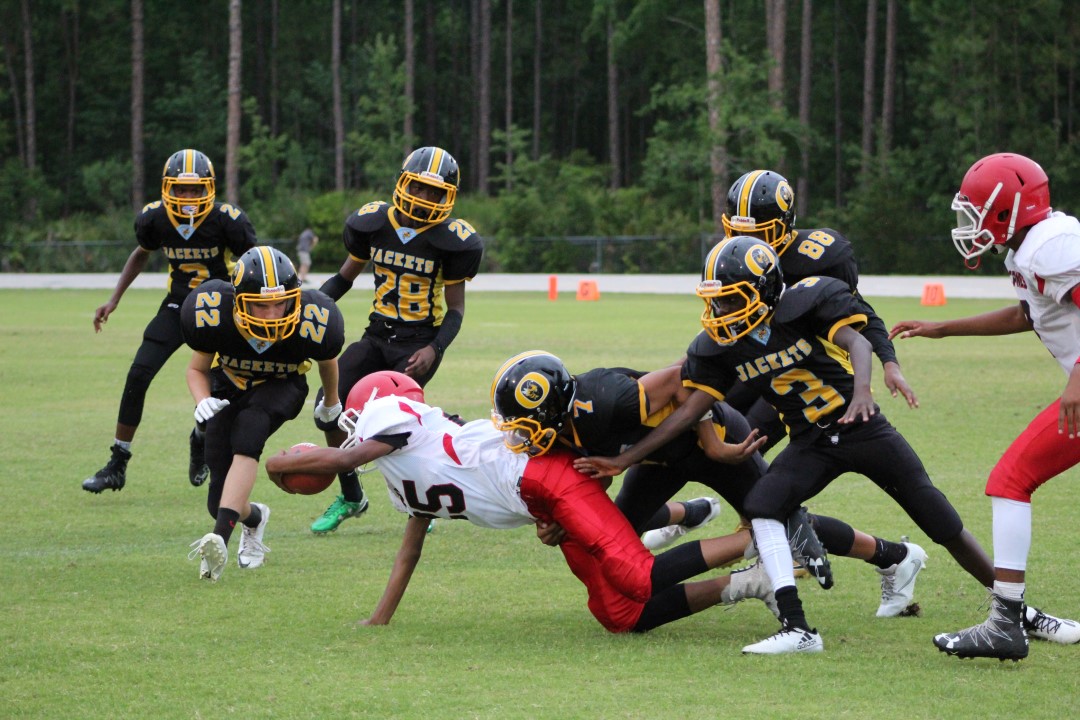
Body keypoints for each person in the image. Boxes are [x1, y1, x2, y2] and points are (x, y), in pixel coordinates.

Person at [574, 237, 1005, 655]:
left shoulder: (802, 304)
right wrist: (623, 460)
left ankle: (1006, 603)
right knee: (761, 506)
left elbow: (857, 341)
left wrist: (864, 389)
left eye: (729, 299)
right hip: (806, 441)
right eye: (715, 301)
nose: (719, 311)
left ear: (762, 292)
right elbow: (690, 408)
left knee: (935, 518)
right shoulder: (718, 346)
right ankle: (797, 625)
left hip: (850, 428)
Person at [265, 370, 779, 632]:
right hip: (542, 500)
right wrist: (380, 617)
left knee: (635, 575)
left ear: (373, 406)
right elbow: (409, 552)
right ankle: (746, 583)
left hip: (543, 476)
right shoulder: (402, 477)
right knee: (621, 615)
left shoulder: (392, 419)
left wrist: (276, 463)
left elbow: (345, 459)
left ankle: (760, 537)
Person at [491, 351, 932, 618]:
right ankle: (693, 516)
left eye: (524, 421)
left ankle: (895, 557)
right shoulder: (560, 432)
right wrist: (562, 524)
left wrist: (713, 444)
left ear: (552, 409)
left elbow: (685, 379)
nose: (519, 434)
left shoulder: (605, 399)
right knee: (617, 531)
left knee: (777, 523)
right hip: (658, 456)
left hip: (713, 439)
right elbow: (594, 479)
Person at [890, 152, 1080, 659]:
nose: (968, 224)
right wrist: (943, 328)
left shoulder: (1051, 247)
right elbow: (1028, 315)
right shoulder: (1029, 250)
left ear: (1007, 210)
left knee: (1010, 480)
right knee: (1011, 480)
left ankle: (1004, 623)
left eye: (975, 212)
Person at [310, 146, 483, 534]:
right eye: (419, 187)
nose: (424, 197)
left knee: (395, 427)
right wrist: (310, 308)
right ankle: (352, 496)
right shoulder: (374, 223)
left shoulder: (453, 240)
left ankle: (421, 504)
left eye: (435, 192)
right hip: (376, 336)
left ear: (448, 197)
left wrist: (434, 348)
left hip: (419, 344)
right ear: (404, 183)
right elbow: (343, 278)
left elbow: (455, 310)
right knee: (327, 408)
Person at [82, 148, 257, 494]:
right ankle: (118, 462)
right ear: (168, 188)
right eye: (181, 189)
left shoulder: (227, 219)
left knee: (222, 390)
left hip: (223, 310)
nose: (188, 197)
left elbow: (255, 262)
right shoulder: (155, 219)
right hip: (178, 305)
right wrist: (114, 299)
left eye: (195, 189)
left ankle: (200, 437)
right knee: (138, 373)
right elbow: (141, 253)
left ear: (209, 188)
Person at [718, 169, 918, 455]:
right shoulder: (734, 262)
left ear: (784, 224)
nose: (746, 241)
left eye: (757, 233)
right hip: (758, 357)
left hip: (807, 367)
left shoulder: (818, 257)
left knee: (747, 442)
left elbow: (860, 313)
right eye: (738, 231)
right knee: (717, 417)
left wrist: (889, 362)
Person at [183, 246, 344, 582]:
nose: (272, 315)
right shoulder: (216, 313)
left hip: (282, 385)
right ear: (239, 301)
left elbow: (327, 361)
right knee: (220, 502)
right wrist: (202, 400)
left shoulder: (313, 319)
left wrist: (331, 402)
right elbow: (196, 369)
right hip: (228, 386)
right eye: (260, 305)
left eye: (280, 303)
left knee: (250, 428)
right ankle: (254, 518)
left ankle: (219, 540)